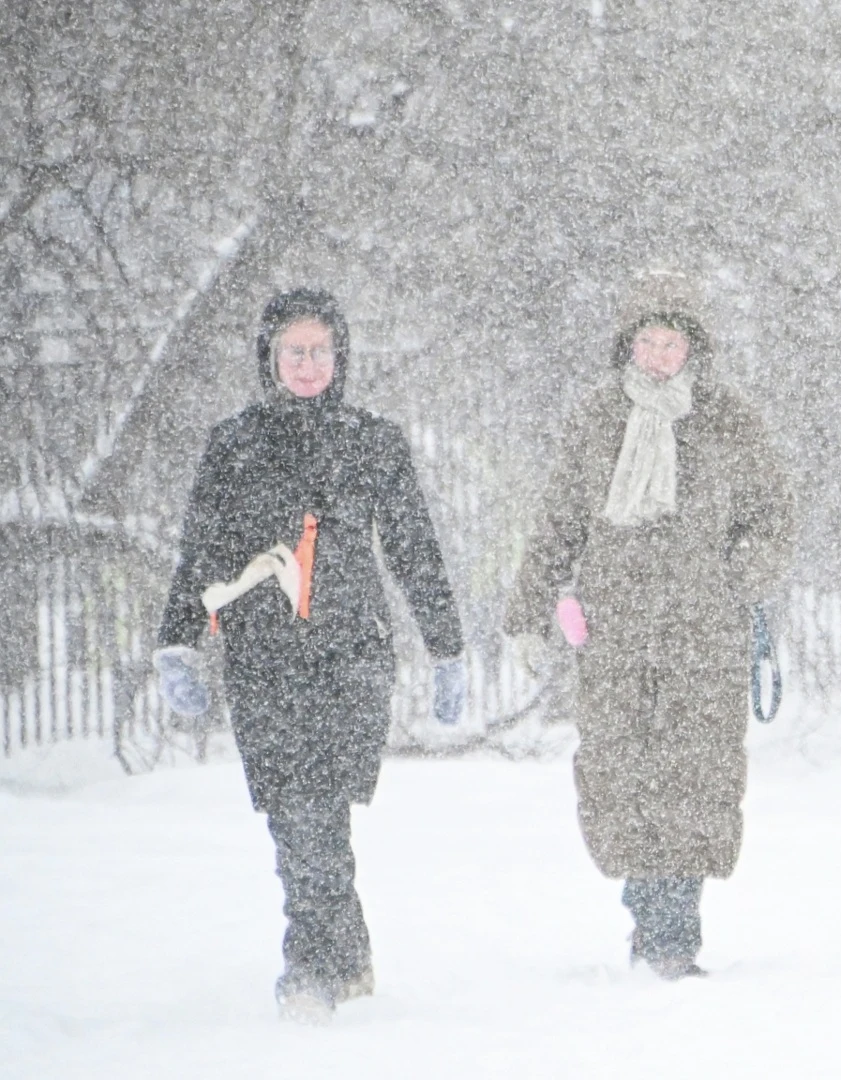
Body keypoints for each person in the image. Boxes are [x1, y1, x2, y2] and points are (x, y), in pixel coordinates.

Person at [152, 288, 466, 1021]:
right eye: (293, 350)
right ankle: (338, 958)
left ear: (340, 356)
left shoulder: (373, 441)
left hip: (351, 654)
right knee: (295, 814)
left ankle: (313, 966)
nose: (307, 363)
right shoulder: (234, 444)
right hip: (264, 657)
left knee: (318, 810)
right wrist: (177, 639)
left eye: (320, 350)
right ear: (269, 356)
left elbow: (415, 548)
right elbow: (203, 548)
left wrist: (446, 646)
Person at [506, 270, 794, 980]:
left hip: (705, 631)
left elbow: (775, 515)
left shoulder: (729, 420)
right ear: (628, 346)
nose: (660, 354)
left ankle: (672, 936)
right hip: (615, 630)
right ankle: (650, 910)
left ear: (693, 348)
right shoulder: (597, 419)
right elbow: (559, 519)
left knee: (696, 777)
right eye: (648, 341)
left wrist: (736, 579)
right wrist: (528, 609)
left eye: (672, 342)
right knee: (623, 777)